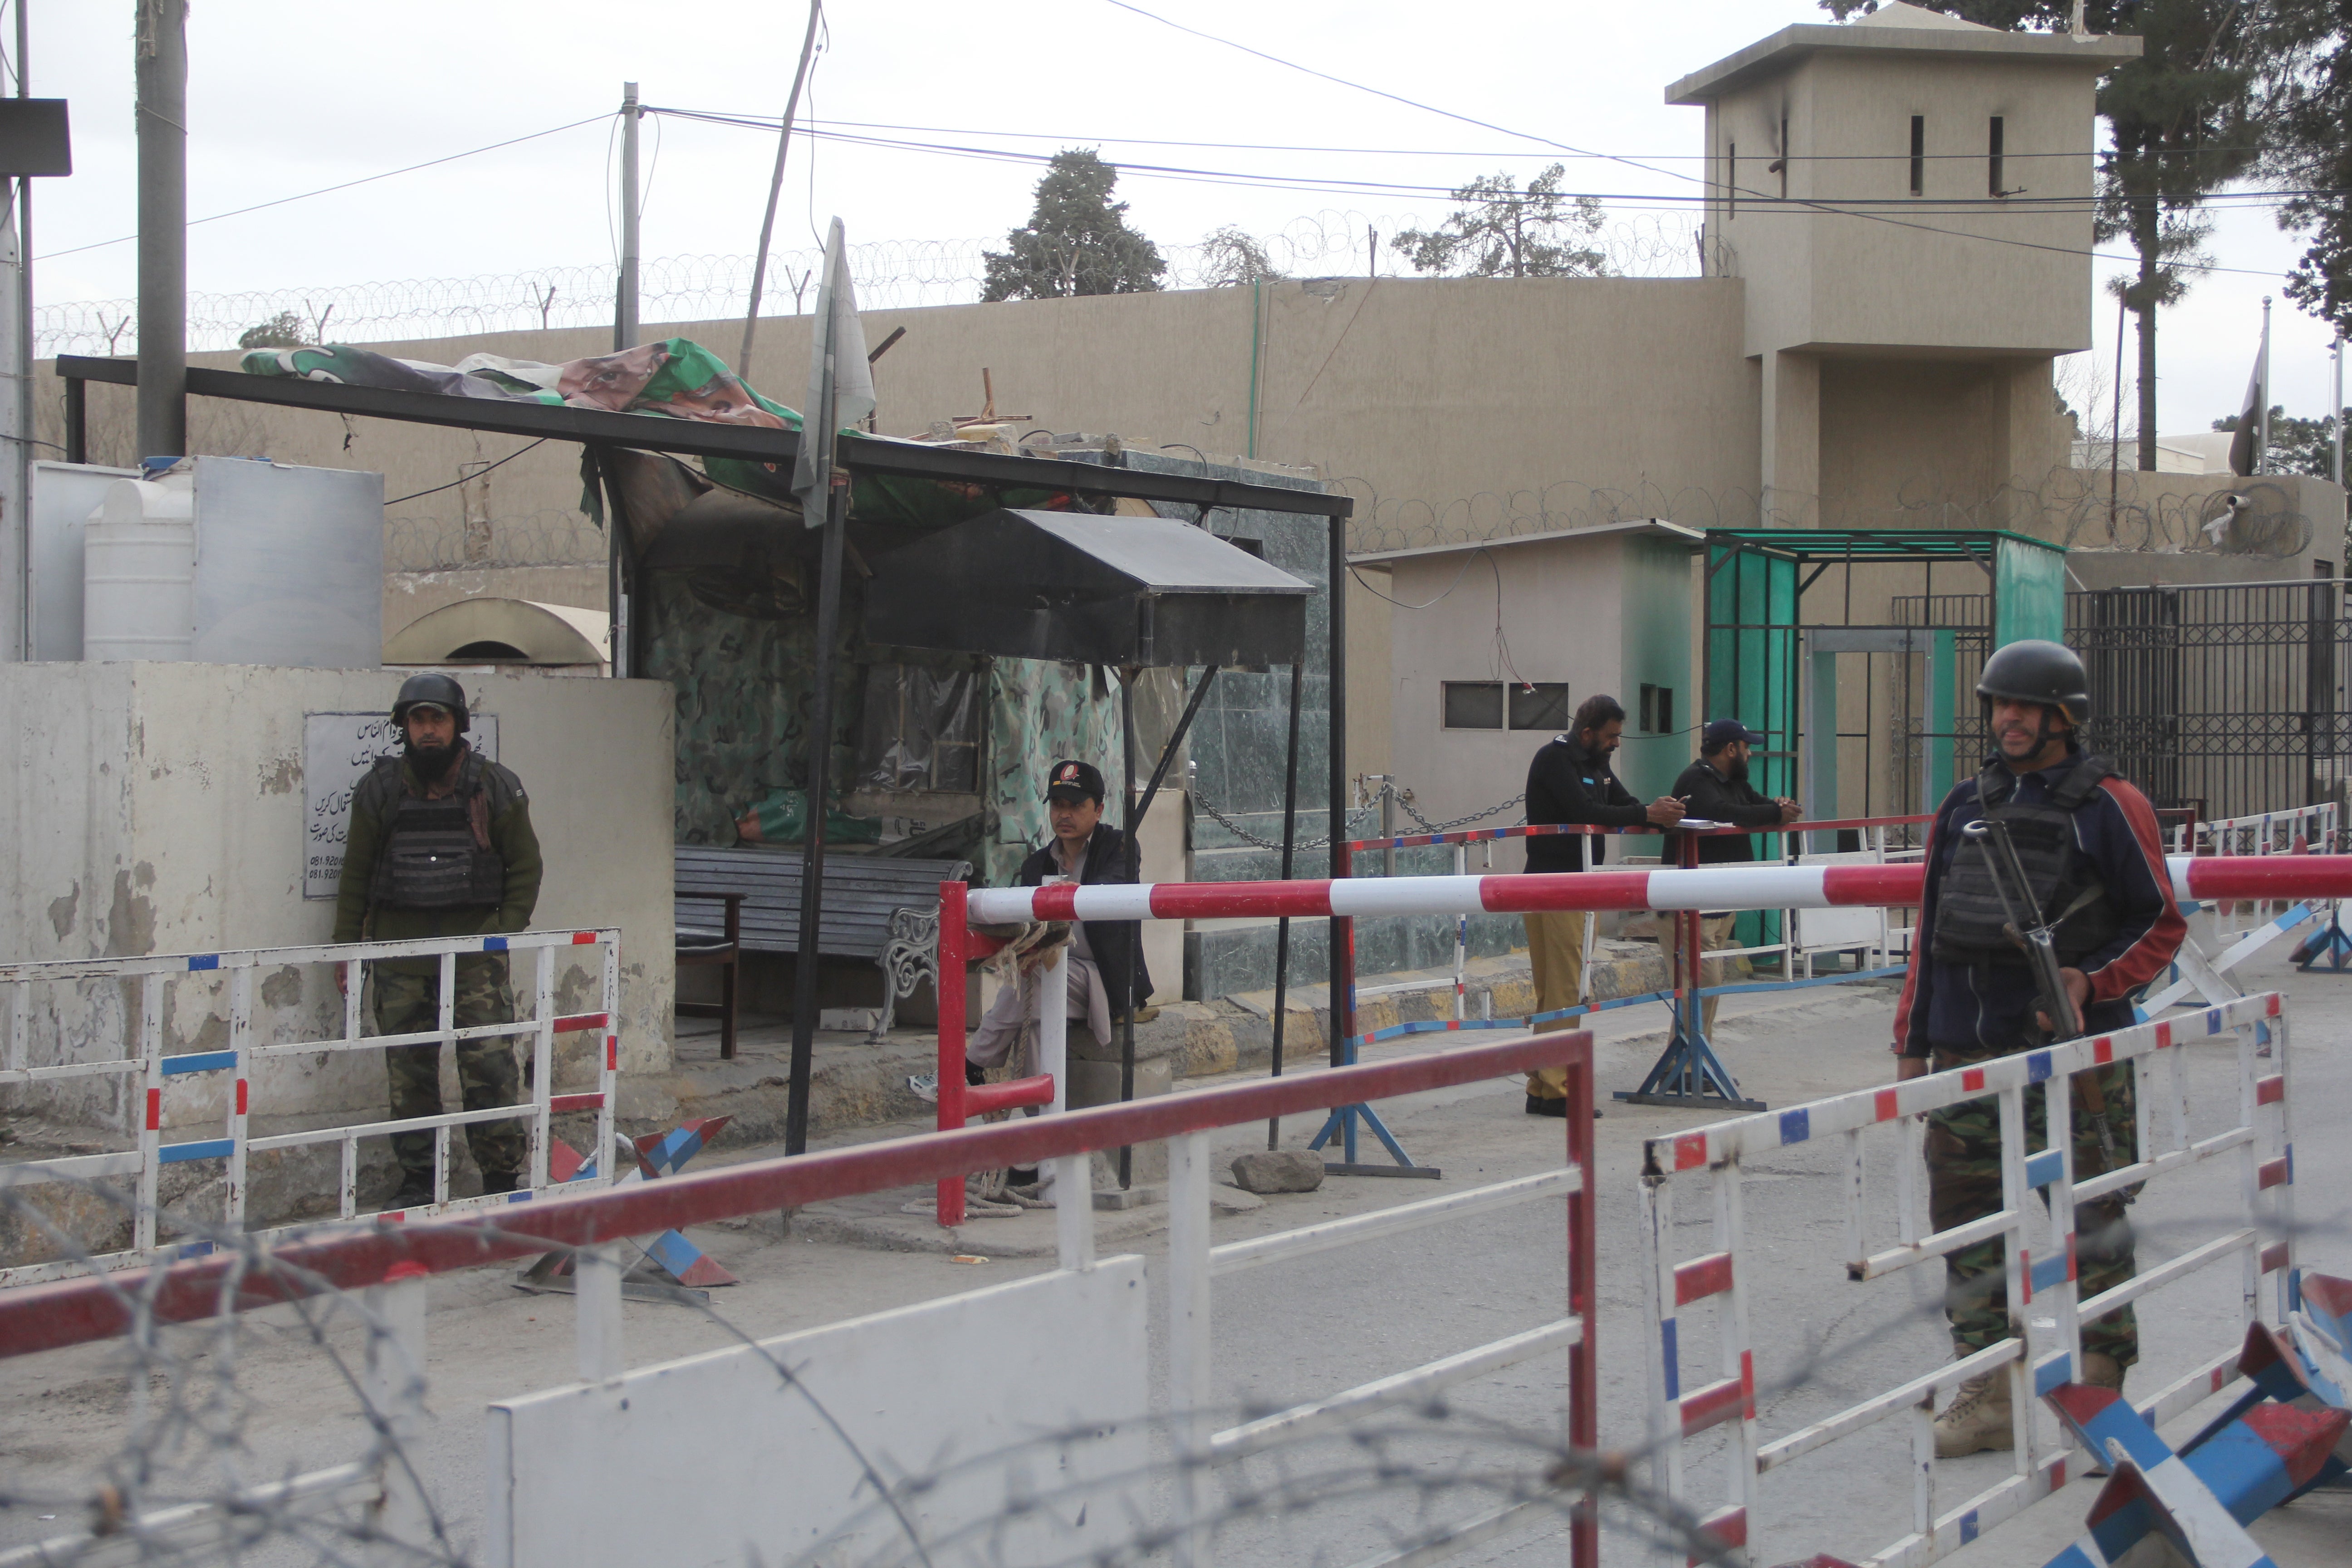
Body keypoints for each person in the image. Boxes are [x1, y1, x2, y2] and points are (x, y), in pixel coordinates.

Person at [1893, 640, 2184, 1458]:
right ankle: (1987, 1385)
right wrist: (1912, 1041)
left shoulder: (2109, 805)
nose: (2006, 719)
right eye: (1996, 705)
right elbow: (1930, 931)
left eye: (2022, 707)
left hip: (2077, 1056)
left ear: (2062, 717)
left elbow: (2158, 921)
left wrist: (2091, 983)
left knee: (2090, 1218)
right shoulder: (1962, 803)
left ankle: (2097, 1386)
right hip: (1964, 1049)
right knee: (1964, 1220)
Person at [334, 674, 543, 1210]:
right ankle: (419, 1179)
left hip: (474, 956)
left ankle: (500, 1177)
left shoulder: (494, 785)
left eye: (438, 719)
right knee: (409, 1074)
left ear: (457, 725)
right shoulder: (380, 789)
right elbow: (356, 875)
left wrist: (501, 930)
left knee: (491, 1069)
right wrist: (347, 950)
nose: (428, 731)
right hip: (400, 958)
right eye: (418, 720)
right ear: (403, 726)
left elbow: (525, 866)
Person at [1520, 694, 1685, 1117]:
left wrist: (1653, 813)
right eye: (1611, 736)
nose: (1617, 744)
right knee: (1562, 987)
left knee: (1558, 987)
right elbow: (1585, 810)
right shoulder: (1557, 759)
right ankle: (1557, 1089)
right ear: (1588, 732)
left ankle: (1542, 1084)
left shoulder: (1596, 763)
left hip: (1574, 885)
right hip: (1556, 885)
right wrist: (1645, 813)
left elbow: (1620, 803)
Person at [966, 759, 1152, 1091]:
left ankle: (972, 1063)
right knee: (1035, 1017)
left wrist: (1078, 894)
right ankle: (1038, 1118)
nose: (1064, 815)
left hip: (1102, 980)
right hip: (1052, 972)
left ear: (1099, 810)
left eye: (1076, 806)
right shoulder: (1037, 864)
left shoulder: (1119, 847)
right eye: (1057, 805)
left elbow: (1114, 883)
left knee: (1037, 973)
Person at [1661, 720, 1803, 1038]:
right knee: (1703, 983)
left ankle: (1691, 1061)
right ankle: (1686, 1063)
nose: (1750, 754)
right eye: (1746, 747)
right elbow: (1721, 812)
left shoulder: (1734, 782)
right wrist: (1772, 814)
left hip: (1717, 905)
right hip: (1689, 906)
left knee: (1706, 988)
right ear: (1730, 749)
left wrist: (1780, 806)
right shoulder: (1697, 779)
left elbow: (1756, 804)